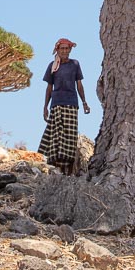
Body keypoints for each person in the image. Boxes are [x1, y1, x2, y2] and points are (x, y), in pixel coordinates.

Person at [37, 38, 90, 175]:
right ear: (58, 50)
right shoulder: (52, 66)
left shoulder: (75, 64)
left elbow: (79, 85)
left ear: (70, 50)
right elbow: (49, 88)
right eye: (62, 49)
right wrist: (45, 107)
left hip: (72, 104)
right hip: (56, 104)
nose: (65, 51)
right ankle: (57, 168)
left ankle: (69, 169)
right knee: (56, 136)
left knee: (70, 137)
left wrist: (84, 102)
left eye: (67, 49)